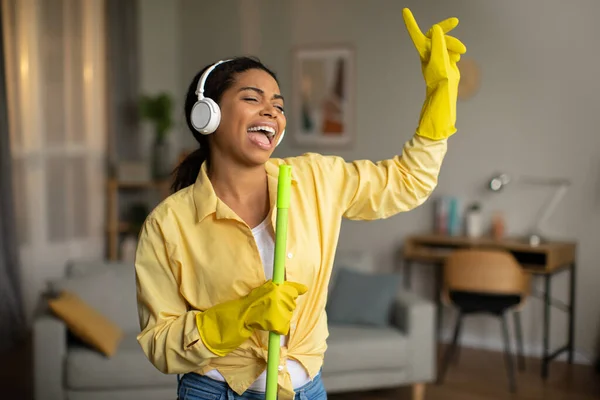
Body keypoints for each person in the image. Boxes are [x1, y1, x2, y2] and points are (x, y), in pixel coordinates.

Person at [134, 8, 466, 400]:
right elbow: (159, 344)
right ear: (208, 116)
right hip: (213, 392)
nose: (271, 111)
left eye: (278, 103)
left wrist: (439, 100)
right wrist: (239, 316)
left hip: (305, 390)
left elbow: (408, 182)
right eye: (251, 98)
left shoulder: (314, 180)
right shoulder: (168, 224)